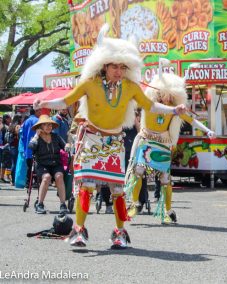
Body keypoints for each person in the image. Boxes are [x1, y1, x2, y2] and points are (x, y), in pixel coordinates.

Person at [34, 24, 186, 249]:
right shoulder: (89, 83)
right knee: (86, 186)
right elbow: (66, 101)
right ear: (104, 65)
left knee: (117, 191)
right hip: (91, 139)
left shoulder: (131, 87)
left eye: (122, 66)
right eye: (114, 66)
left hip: (115, 142)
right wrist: (45, 103)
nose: (118, 70)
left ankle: (119, 232)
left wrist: (174, 110)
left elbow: (151, 105)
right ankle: (79, 230)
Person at [125, 70, 215, 224]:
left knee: (165, 179)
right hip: (146, 140)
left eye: (171, 95)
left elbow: (192, 121)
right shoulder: (149, 104)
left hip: (163, 145)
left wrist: (207, 130)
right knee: (138, 170)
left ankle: (167, 211)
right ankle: (135, 203)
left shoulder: (175, 110)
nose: (168, 98)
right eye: (166, 94)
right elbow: (132, 97)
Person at [28, 115, 69, 214]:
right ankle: (40, 204)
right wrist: (37, 136)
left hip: (56, 164)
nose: (48, 127)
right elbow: (31, 146)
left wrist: (68, 145)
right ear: (41, 126)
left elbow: (65, 145)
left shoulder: (55, 136)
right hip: (42, 165)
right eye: (46, 125)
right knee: (46, 177)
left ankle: (63, 204)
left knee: (59, 176)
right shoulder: (36, 138)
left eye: (50, 125)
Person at [21, 108, 41, 189]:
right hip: (36, 147)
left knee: (29, 166)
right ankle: (36, 181)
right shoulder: (37, 121)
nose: (40, 112)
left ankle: (28, 182)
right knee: (36, 166)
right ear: (36, 111)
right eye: (39, 111)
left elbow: (22, 135)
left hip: (27, 147)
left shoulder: (26, 121)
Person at [0, 114, 11, 182]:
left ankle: (4, 176)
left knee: (5, 162)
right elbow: (5, 138)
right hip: (4, 146)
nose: (10, 119)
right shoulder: (5, 127)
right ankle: (3, 177)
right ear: (6, 119)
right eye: (9, 118)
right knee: (5, 162)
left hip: (3, 146)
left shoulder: (3, 127)